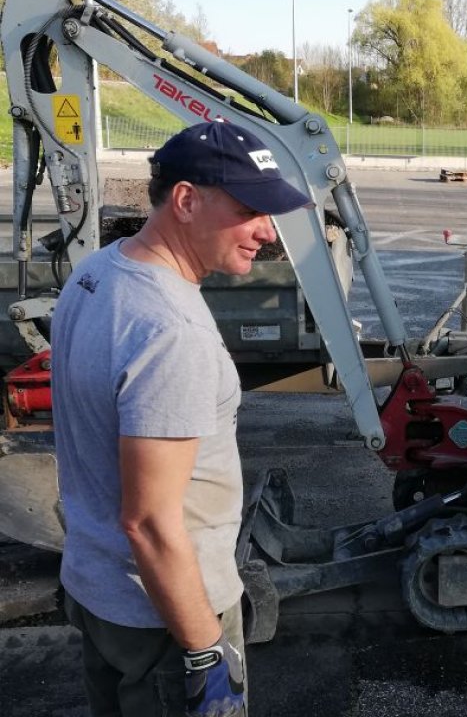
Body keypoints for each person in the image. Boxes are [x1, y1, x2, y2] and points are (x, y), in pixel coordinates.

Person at [52, 121, 312, 716]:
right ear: (187, 200)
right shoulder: (171, 332)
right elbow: (148, 522)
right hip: (165, 619)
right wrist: (204, 651)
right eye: (251, 208)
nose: (267, 232)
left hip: (101, 593)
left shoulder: (98, 275)